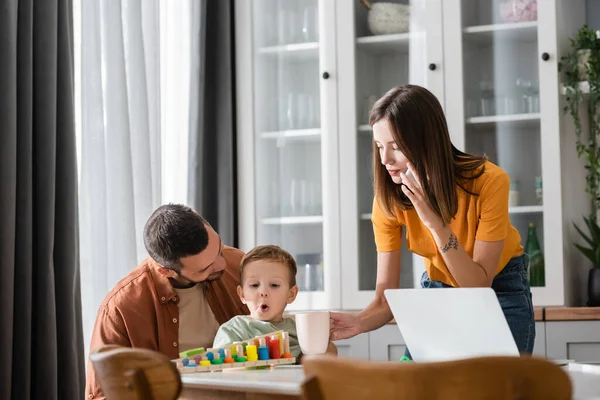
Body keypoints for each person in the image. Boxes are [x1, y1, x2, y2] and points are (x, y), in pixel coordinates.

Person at [329, 84, 535, 356]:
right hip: (437, 292)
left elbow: (478, 285)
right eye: (380, 146)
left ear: (428, 142)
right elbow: (384, 299)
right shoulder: (389, 201)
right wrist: (357, 322)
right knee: (417, 386)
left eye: (396, 147)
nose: (386, 159)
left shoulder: (489, 181)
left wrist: (434, 222)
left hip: (500, 292)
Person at [85, 204, 249, 399]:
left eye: (220, 250)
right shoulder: (121, 308)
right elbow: (101, 394)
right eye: (205, 269)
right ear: (165, 270)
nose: (222, 265)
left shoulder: (241, 265)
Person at [213, 245, 337, 359]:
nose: (263, 292)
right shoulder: (235, 329)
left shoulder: (299, 329)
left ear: (291, 294)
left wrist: (323, 350)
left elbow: (327, 356)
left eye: (274, 285)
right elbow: (222, 365)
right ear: (242, 294)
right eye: (254, 285)